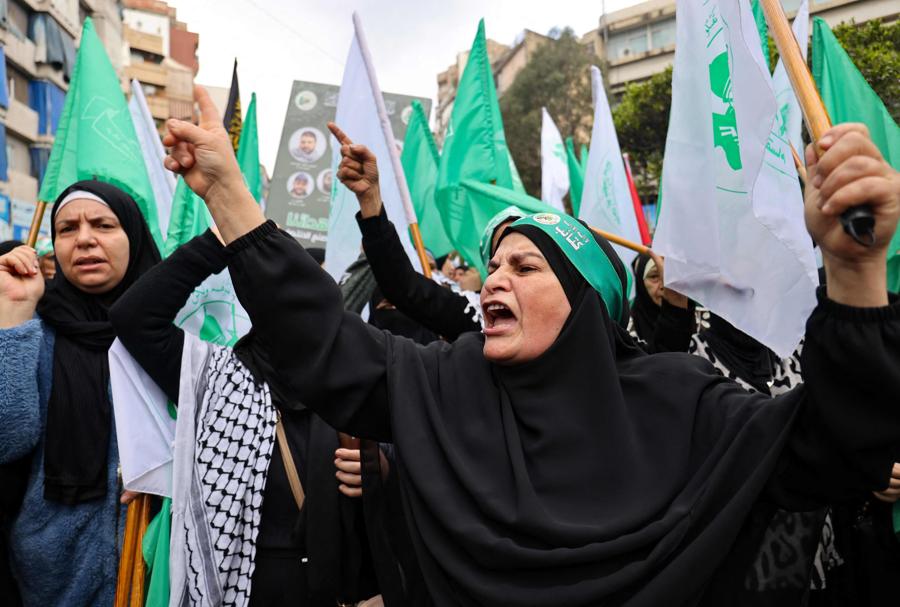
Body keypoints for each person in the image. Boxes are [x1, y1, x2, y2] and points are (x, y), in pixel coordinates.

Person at [156, 87, 900, 605]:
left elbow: (835, 449)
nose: (494, 280)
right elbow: (320, 337)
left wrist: (855, 266)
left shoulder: (685, 399)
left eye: (525, 265)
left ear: (583, 302)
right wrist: (225, 190)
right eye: (494, 265)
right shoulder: (444, 384)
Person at [0, 181, 161, 605]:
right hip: (52, 579)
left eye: (103, 225)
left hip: (156, 566)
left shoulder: (174, 329)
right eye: (67, 229)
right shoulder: (33, 328)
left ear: (133, 234)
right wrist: (13, 319)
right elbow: (7, 438)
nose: (85, 239)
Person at [627, 253, 696, 353]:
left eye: (671, 276)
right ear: (640, 282)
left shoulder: (705, 323)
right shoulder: (625, 330)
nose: (665, 284)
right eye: (654, 276)